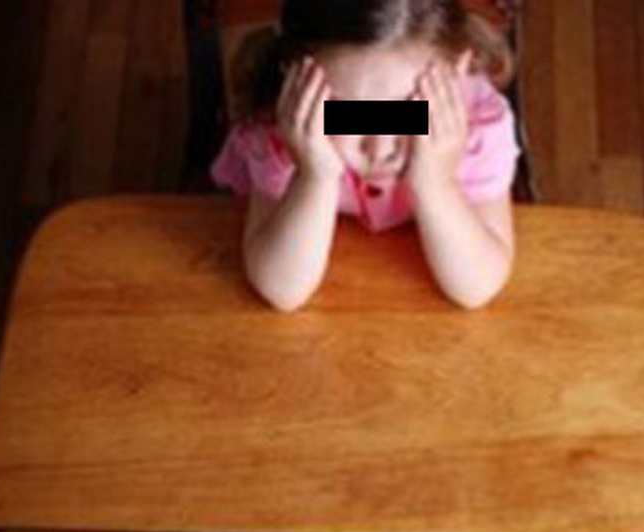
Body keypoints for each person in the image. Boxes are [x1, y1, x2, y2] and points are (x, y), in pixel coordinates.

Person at [211, 0, 522, 312]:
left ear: (458, 71)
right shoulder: (283, 126)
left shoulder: (478, 127)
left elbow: (477, 288)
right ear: (295, 78)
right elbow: (282, 291)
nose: (378, 148)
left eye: (406, 113)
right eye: (348, 116)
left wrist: (437, 184)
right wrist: (314, 177)